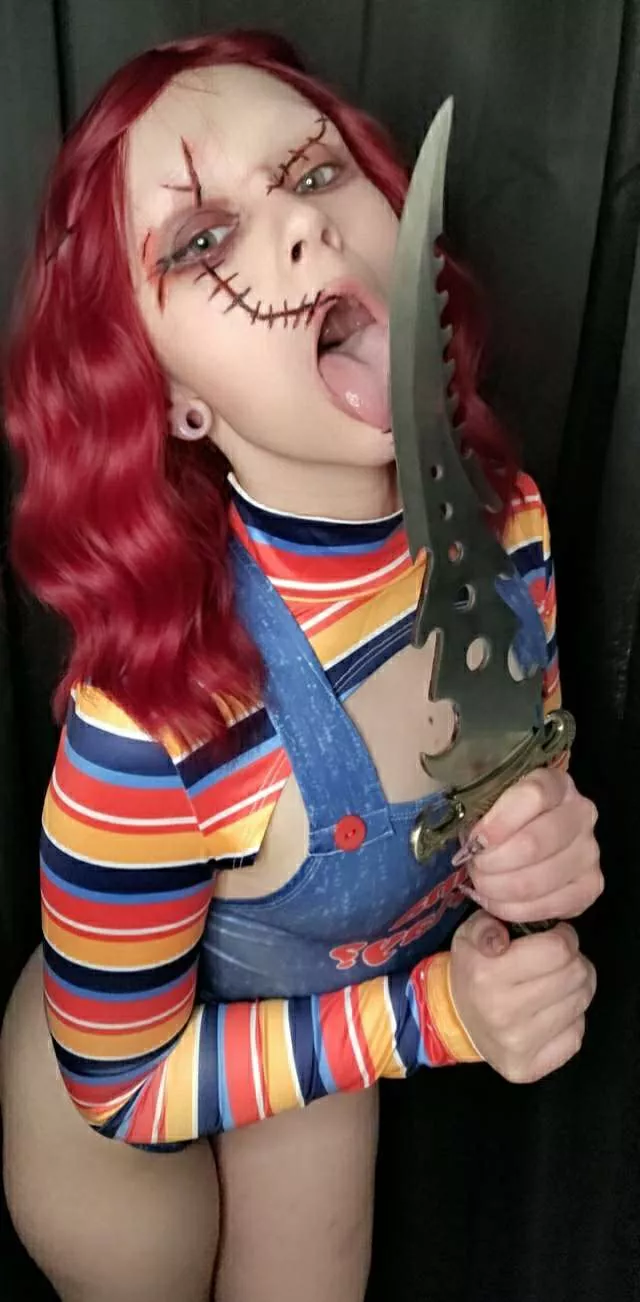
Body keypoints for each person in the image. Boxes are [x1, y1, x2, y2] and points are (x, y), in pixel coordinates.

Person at [0, 30, 602, 1302]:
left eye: (317, 174)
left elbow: (524, 764)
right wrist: (436, 1017)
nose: (303, 227)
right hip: (128, 1090)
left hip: (310, 1031)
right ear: (168, 394)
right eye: (201, 239)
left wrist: (543, 836)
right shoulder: (148, 729)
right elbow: (124, 1084)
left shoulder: (510, 531)